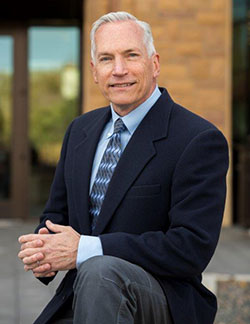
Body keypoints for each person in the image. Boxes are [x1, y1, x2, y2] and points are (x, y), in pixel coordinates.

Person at [18, 11, 229, 324]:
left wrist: (85, 249)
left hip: (162, 300)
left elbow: (190, 249)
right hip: (79, 298)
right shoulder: (80, 131)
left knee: (101, 269)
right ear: (94, 71)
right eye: (106, 59)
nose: (119, 70)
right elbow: (55, 216)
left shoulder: (198, 139)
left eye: (131, 55)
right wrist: (42, 250)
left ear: (154, 64)